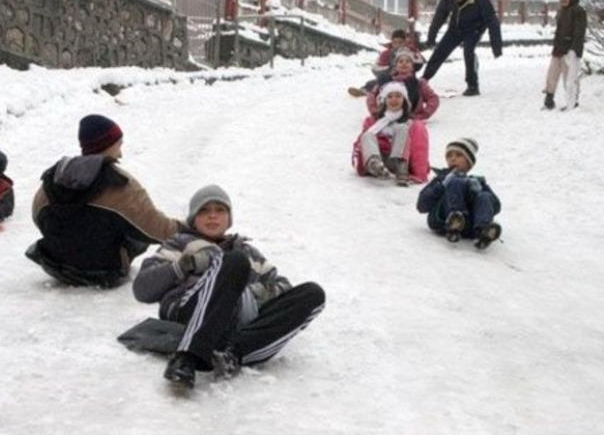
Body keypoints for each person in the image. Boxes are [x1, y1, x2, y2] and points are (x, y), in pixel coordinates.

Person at [133, 185, 325, 389]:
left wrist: (254, 293)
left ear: (229, 218)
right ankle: (187, 357)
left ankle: (233, 356)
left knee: (313, 294)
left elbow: (282, 286)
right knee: (234, 262)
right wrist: (184, 265)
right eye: (204, 211)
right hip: (190, 312)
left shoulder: (247, 251)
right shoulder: (179, 244)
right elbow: (143, 289)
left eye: (219, 210)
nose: (212, 217)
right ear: (193, 218)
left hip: (237, 322)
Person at [27, 114, 182, 289]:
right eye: (119, 145)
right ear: (107, 145)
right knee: (136, 229)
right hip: (103, 271)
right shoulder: (119, 183)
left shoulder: (54, 176)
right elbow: (156, 229)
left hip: (55, 264)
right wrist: (197, 230)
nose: (121, 153)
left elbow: (37, 216)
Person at [422, 0, 503, 96]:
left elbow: (493, 23)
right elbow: (440, 16)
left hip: (474, 29)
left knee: (468, 52)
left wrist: (496, 47)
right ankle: (424, 79)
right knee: (440, 51)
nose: (454, 1)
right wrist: (431, 37)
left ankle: (472, 86)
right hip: (455, 28)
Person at [416, 138, 502, 249]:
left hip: (471, 225)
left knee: (484, 196)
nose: (453, 158)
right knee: (456, 182)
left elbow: (496, 206)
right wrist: (441, 186)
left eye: (458, 155)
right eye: (449, 155)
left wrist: (480, 191)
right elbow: (421, 205)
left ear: (469, 162)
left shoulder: (477, 181)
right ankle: (455, 219)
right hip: (442, 219)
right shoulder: (441, 179)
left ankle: (483, 230)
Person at [352, 77, 433, 185]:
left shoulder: (414, 124)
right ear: (384, 101)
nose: (394, 100)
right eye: (390, 97)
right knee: (367, 135)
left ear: (404, 100)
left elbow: (420, 150)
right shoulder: (372, 121)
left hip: (399, 161)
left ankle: (401, 167)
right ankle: (374, 165)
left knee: (402, 128)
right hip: (378, 158)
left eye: (398, 96)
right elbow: (360, 145)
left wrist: (419, 174)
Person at [543, 0, 587, 110]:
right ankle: (549, 98)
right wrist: (555, 46)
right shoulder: (561, 12)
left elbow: (579, 32)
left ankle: (573, 101)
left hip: (570, 50)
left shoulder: (578, 11)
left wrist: (574, 50)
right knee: (552, 74)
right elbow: (559, 31)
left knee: (570, 77)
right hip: (558, 49)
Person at [347, 28, 407, 97]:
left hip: (404, 79)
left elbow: (419, 62)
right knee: (376, 82)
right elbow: (376, 68)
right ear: (392, 43)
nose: (398, 45)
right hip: (390, 78)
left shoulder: (409, 54)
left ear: (405, 42)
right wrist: (388, 69)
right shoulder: (387, 54)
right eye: (395, 43)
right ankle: (364, 91)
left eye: (400, 42)